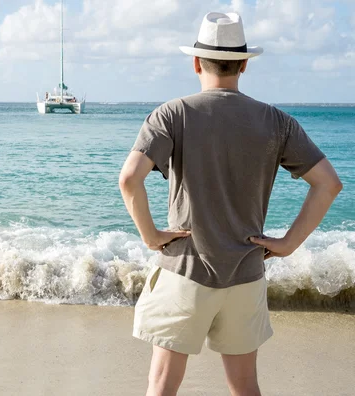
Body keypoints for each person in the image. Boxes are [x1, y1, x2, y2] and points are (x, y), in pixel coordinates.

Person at [118, 12, 342, 396]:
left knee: (162, 386)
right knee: (244, 386)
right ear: (243, 65)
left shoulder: (172, 114)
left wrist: (151, 235)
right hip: (245, 273)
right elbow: (328, 184)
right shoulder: (277, 122)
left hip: (184, 271)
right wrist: (288, 244)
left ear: (195, 62)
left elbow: (129, 179)